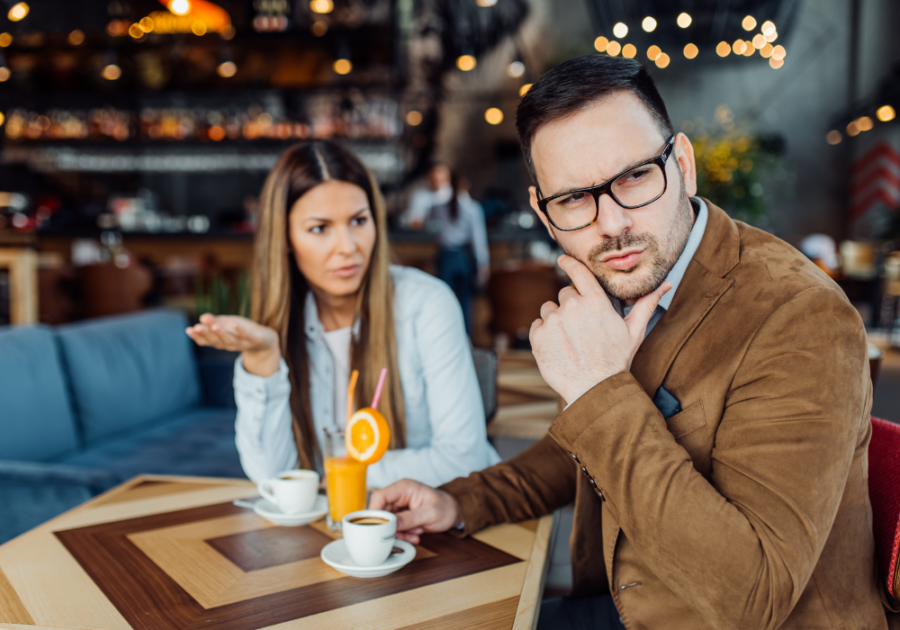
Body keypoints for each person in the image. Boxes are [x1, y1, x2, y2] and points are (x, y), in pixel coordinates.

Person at [370, 55, 885, 630]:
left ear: (683, 165)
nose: (611, 223)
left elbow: (754, 596)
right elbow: (582, 449)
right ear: (544, 212)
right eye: (573, 199)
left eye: (635, 176)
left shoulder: (799, 315)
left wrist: (600, 386)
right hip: (622, 604)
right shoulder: (628, 281)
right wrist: (461, 502)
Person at [186, 141, 499, 489]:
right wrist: (262, 358)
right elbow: (272, 476)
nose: (348, 247)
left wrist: (332, 475)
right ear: (285, 238)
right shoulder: (282, 323)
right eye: (320, 228)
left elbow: (463, 460)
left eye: (358, 221)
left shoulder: (426, 304)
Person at [403, 165, 490, 336]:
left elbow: (428, 227)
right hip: (464, 259)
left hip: (445, 258)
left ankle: (447, 337)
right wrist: (483, 266)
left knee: (445, 302)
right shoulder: (472, 208)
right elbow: (479, 241)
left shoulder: (437, 207)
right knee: (466, 303)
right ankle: (466, 340)